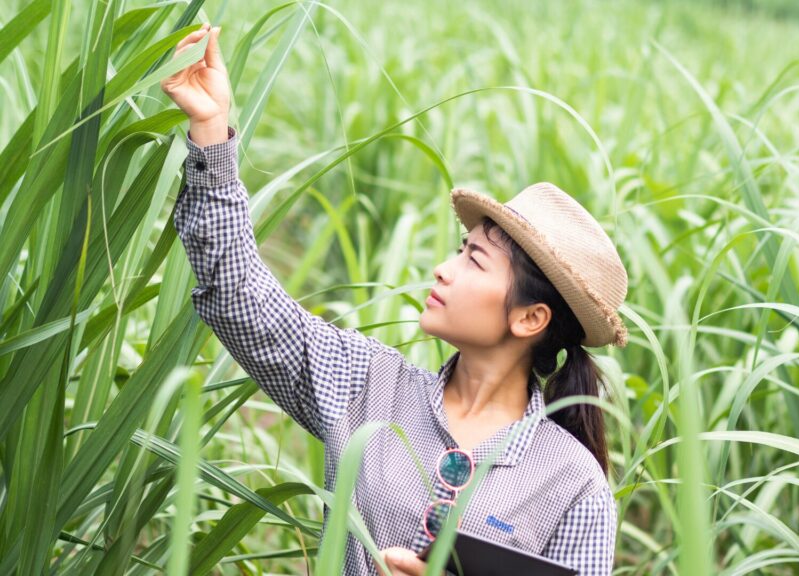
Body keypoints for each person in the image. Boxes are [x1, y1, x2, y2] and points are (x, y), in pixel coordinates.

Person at [161, 22, 628, 576]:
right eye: (461, 249)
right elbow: (240, 295)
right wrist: (212, 130)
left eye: (474, 261)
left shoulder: (573, 483)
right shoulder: (366, 385)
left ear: (530, 317)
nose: (443, 269)